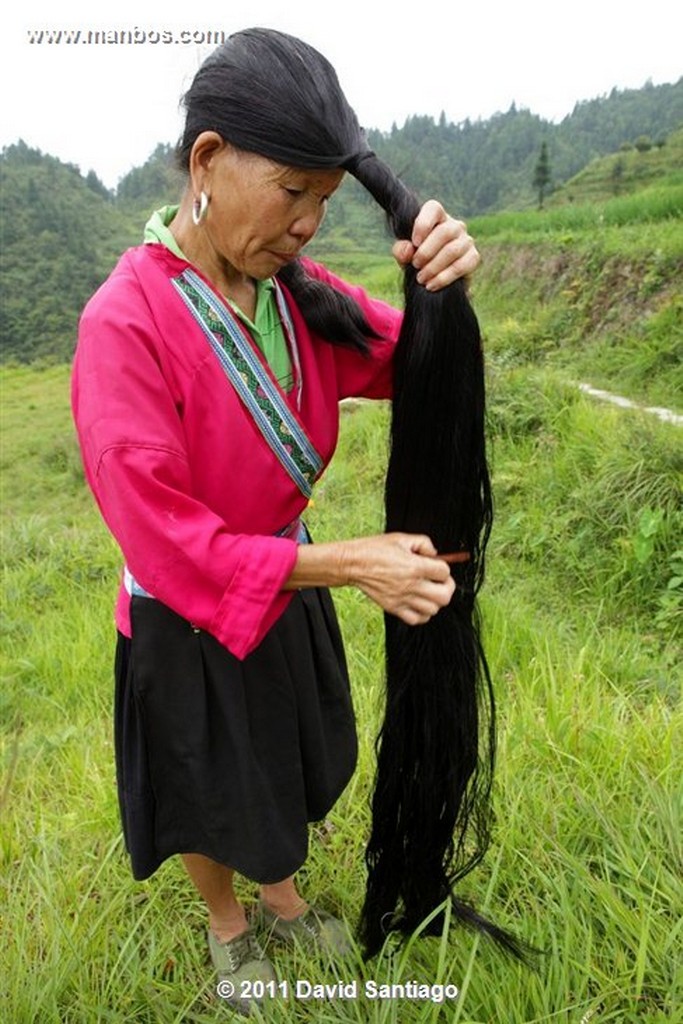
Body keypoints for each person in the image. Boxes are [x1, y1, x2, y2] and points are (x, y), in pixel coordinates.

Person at [72, 27, 480, 1016]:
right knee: (207, 780)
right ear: (208, 161)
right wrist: (348, 564)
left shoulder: (295, 297)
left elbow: (408, 364)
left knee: (285, 758)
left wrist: (443, 282)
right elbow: (162, 542)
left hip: (287, 583)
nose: (306, 224)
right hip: (188, 610)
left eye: (324, 203)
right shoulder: (123, 325)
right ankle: (228, 927)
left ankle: (284, 896)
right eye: (291, 192)